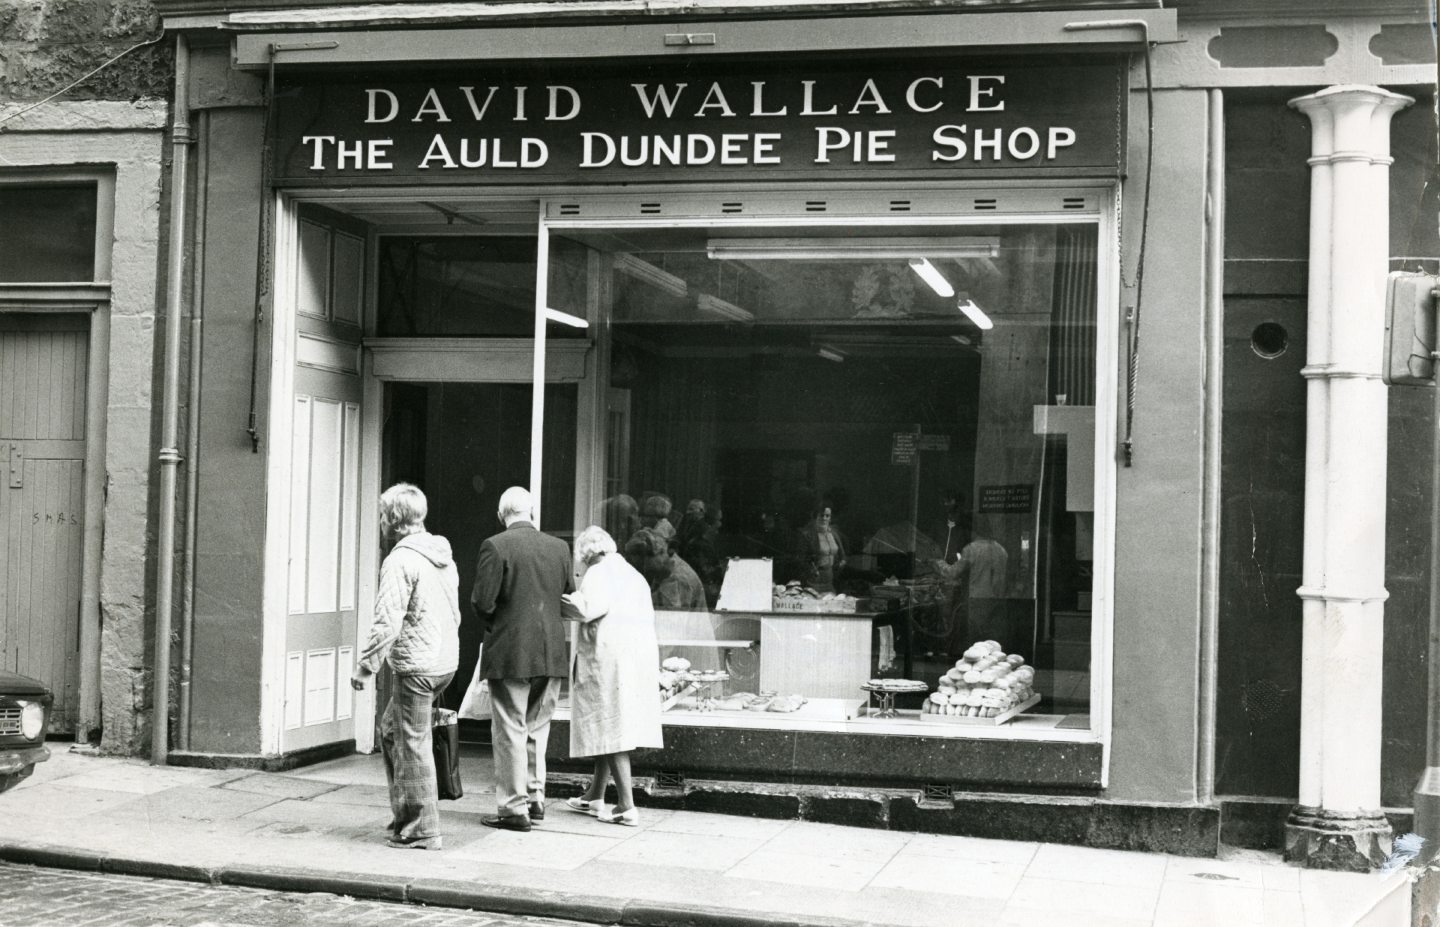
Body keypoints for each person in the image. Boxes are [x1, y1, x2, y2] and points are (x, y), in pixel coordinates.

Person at [350, 483, 461, 850]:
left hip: (418, 666)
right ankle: (406, 811)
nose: (381, 522)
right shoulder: (440, 554)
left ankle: (422, 829)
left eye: (383, 515)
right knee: (390, 731)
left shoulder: (400, 560)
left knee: (412, 742)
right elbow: (454, 612)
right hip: (443, 659)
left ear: (393, 520)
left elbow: (387, 620)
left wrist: (367, 666)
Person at [469, 486, 573, 832]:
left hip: (511, 649)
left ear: (502, 514)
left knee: (510, 728)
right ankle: (535, 798)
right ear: (532, 512)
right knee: (537, 728)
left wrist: (499, 626)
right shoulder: (559, 547)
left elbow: (482, 602)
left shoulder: (495, 545)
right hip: (551, 649)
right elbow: (567, 595)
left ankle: (514, 808)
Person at [560, 526, 664, 826]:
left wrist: (562, 600)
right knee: (608, 726)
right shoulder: (633, 574)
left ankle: (626, 806)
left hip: (607, 660)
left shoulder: (598, 572)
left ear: (588, 554)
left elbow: (587, 610)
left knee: (612, 728)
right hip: (634, 660)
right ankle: (594, 794)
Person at [625, 526, 706, 610]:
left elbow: (668, 619)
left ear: (660, 553)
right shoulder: (664, 569)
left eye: (643, 563)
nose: (642, 569)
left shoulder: (677, 578)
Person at [794, 503, 847, 593]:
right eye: (821, 515)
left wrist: (841, 564)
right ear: (815, 517)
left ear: (830, 518)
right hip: (812, 583)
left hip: (830, 583)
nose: (824, 518)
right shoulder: (807, 535)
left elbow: (843, 556)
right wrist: (810, 570)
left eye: (827, 516)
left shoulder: (834, 534)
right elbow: (800, 559)